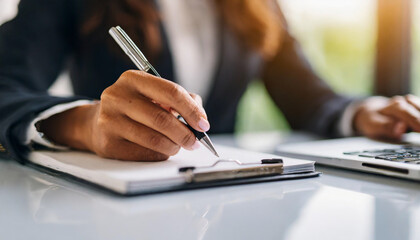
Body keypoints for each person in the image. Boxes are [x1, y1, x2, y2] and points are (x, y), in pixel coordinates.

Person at [0, 0, 419, 163]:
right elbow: (5, 88)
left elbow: (306, 97)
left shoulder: (258, 6)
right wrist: (83, 124)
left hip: (224, 207)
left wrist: (361, 111)